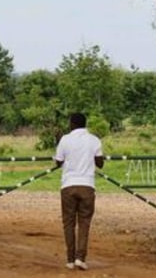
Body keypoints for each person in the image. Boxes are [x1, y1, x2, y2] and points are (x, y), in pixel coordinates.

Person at [54, 112, 103, 271]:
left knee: (68, 223)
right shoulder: (94, 140)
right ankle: (80, 258)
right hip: (87, 185)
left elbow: (58, 162)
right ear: (85, 124)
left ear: (72, 124)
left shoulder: (65, 139)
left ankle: (69, 259)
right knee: (84, 223)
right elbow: (100, 163)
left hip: (68, 185)